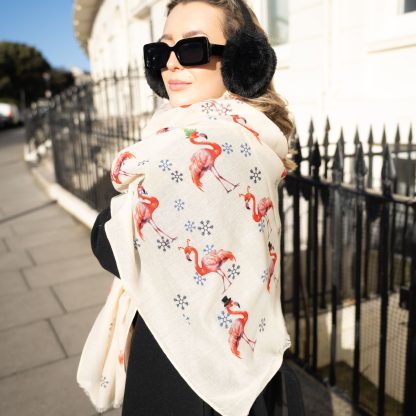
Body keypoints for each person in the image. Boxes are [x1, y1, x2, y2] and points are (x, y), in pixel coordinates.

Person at [89, 1, 304, 415]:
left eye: (192, 49)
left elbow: (110, 242)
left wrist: (114, 216)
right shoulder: (250, 138)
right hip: (231, 357)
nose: (171, 64)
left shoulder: (206, 144)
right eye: (161, 50)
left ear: (241, 60)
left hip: (186, 379)